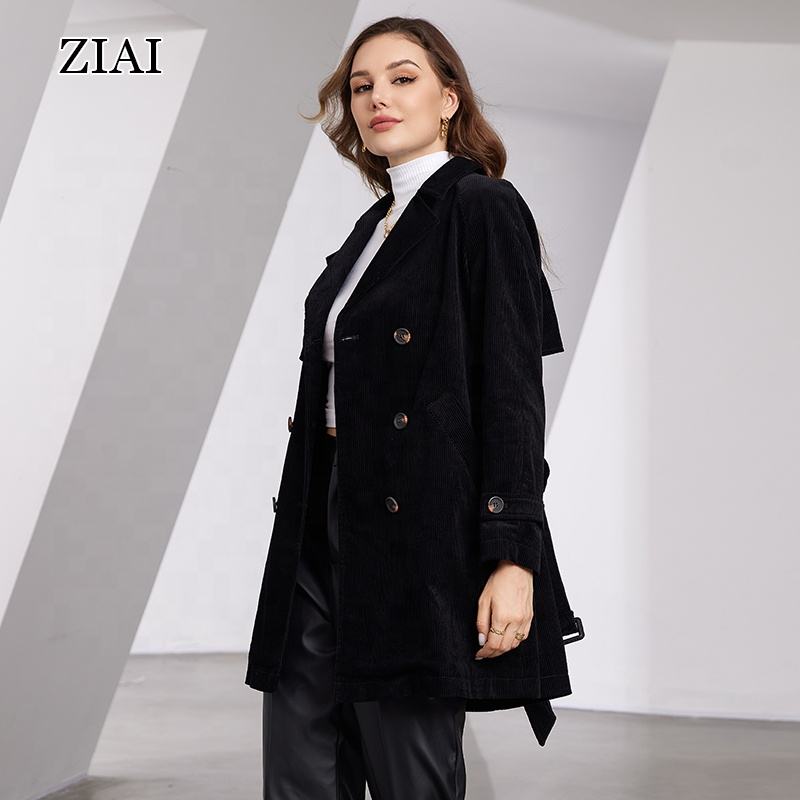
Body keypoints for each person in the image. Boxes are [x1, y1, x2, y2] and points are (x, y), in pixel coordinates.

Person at [246, 16, 584, 799]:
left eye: (403, 79)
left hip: (416, 530)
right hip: (319, 512)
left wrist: (513, 557)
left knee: (409, 770)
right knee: (298, 761)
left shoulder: (481, 206)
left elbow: (511, 397)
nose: (378, 99)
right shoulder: (371, 229)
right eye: (362, 87)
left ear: (448, 99)